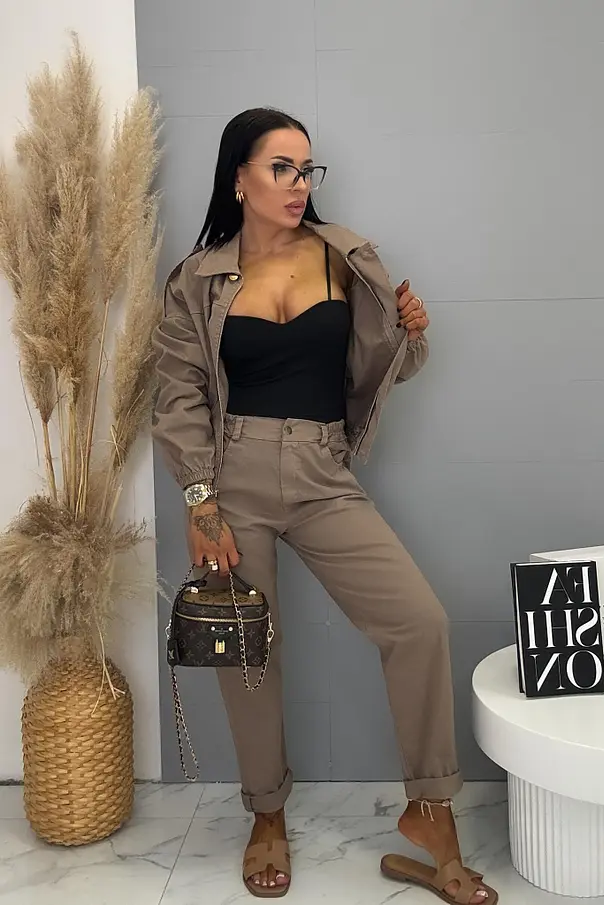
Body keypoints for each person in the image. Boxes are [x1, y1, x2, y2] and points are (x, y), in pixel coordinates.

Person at [152, 108, 496, 904]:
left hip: (321, 470)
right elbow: (178, 391)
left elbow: (382, 367)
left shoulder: (347, 257)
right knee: (249, 652)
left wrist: (409, 334)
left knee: (418, 621)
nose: (298, 184)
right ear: (239, 179)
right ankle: (266, 814)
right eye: (281, 167)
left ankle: (429, 811)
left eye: (307, 169)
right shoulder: (197, 278)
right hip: (231, 473)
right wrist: (199, 499)